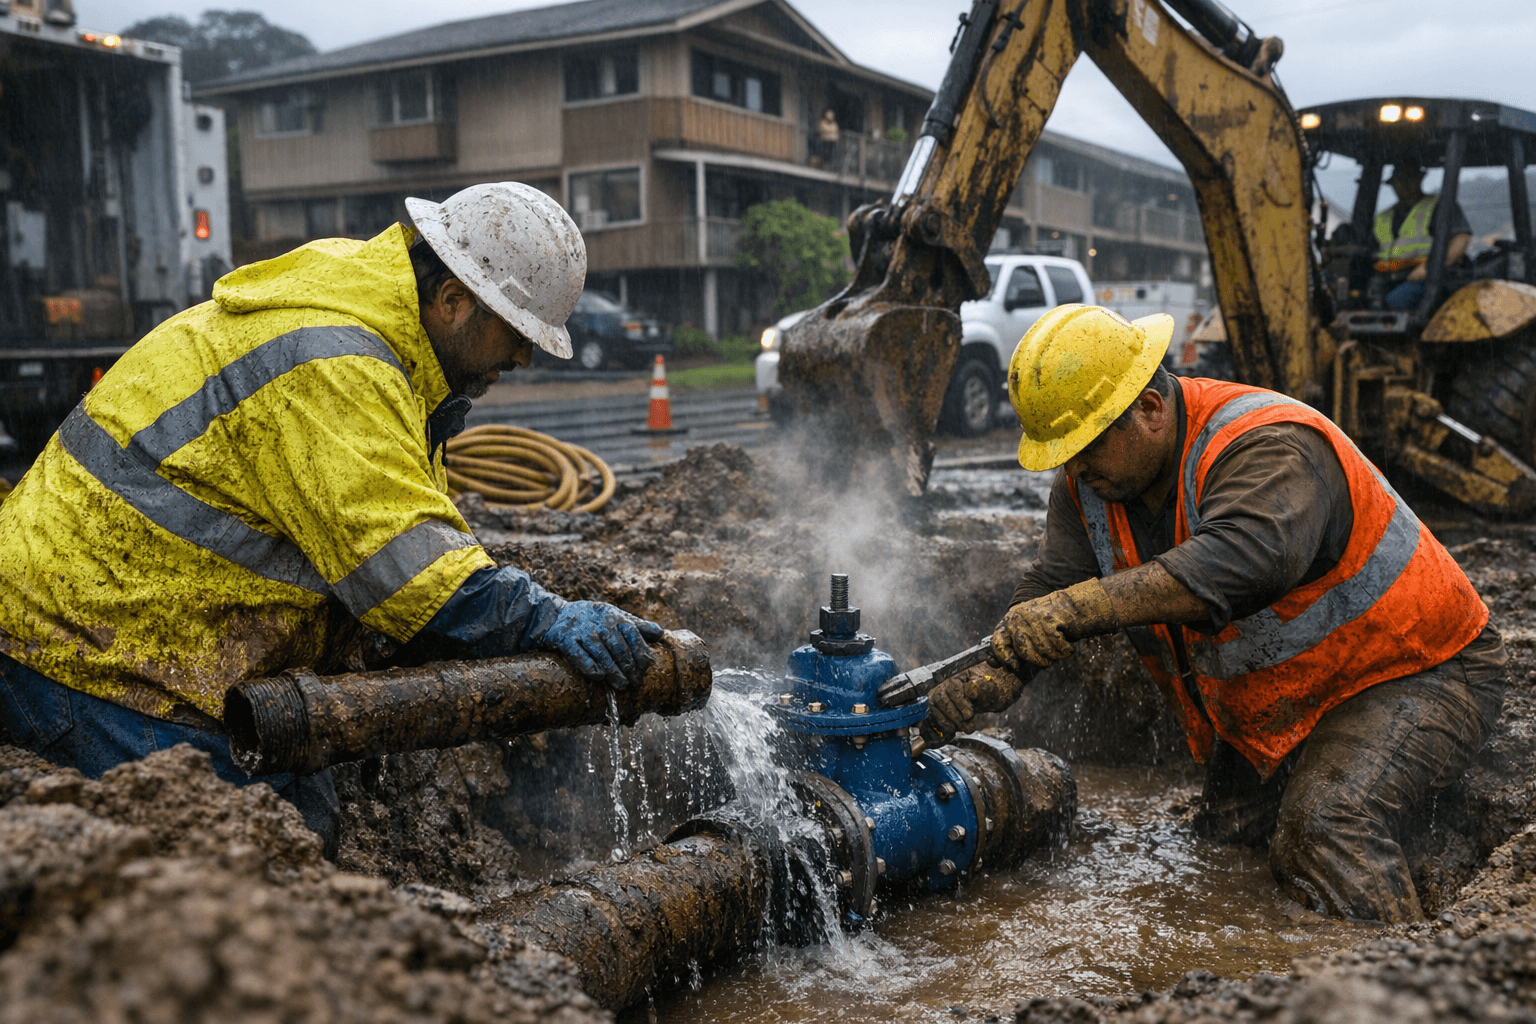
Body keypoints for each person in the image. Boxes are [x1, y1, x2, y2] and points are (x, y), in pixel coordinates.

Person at [0, 182, 664, 853]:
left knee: (308, 817)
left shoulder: (371, 330)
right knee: (252, 870)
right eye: (516, 333)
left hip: (137, 622)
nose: (522, 358)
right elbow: (413, 574)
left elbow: (387, 533)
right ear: (453, 300)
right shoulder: (337, 363)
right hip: (84, 648)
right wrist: (544, 619)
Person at [926, 304, 1505, 923]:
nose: (1075, 469)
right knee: (1226, 849)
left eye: (1086, 446)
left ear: (1149, 408)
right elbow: (1052, 583)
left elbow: (1242, 561)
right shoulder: (1092, 483)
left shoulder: (1266, 442)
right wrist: (1000, 666)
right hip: (1295, 692)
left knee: (1327, 826)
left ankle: (1392, 991)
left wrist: (1076, 609)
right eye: (1064, 453)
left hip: (1421, 666)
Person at [1373, 162, 1471, 312]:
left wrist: (1429, 269)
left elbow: (1461, 239)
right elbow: (1370, 249)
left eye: (1409, 178)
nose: (1403, 185)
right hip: (1387, 279)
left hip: (1427, 279)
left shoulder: (1439, 206)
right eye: (1398, 181)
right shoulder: (1383, 217)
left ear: (1419, 179)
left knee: (1398, 300)